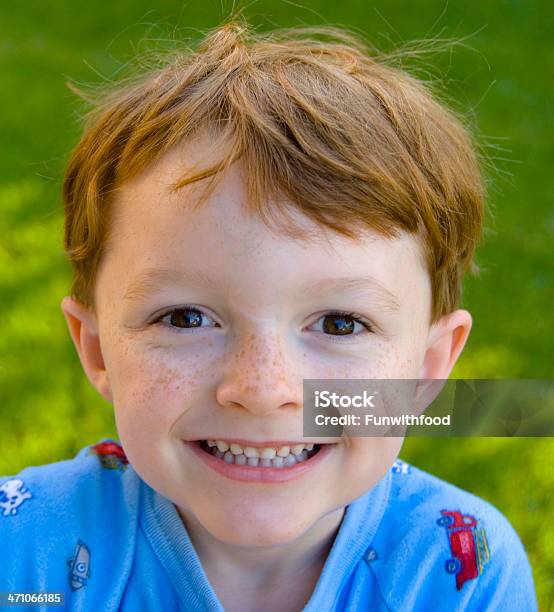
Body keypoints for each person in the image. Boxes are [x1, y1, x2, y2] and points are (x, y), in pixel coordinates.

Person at [0, 16, 537, 611]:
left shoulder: (456, 576)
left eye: (339, 323)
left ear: (429, 366)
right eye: (184, 318)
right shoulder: (23, 560)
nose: (261, 390)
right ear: (97, 348)